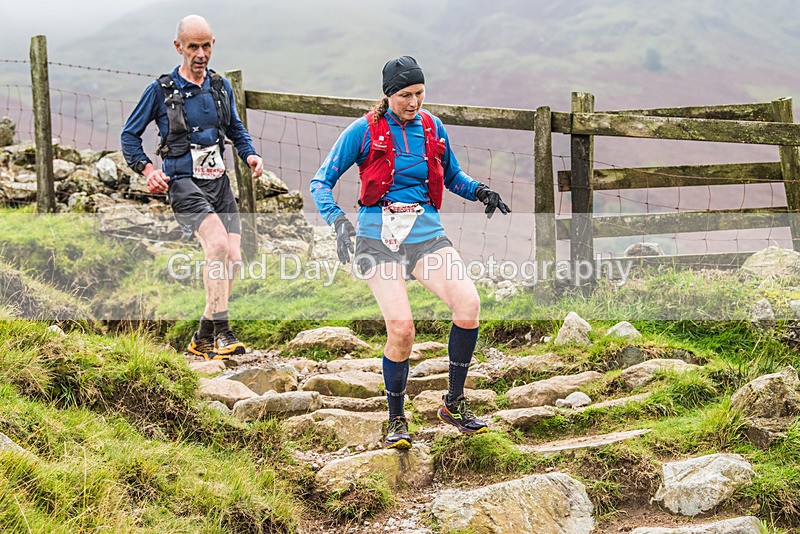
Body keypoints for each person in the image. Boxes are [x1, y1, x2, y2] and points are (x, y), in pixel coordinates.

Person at [310, 56, 510, 449]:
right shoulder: (364, 130)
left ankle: (454, 402)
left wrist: (480, 190)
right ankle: (396, 419)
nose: (414, 102)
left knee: (468, 305)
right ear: (388, 95)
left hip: (425, 235)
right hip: (376, 240)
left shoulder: (432, 127)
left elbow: (451, 175)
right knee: (402, 329)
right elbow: (321, 181)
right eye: (405, 95)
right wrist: (338, 220)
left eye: (419, 93)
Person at [121, 15, 263, 360]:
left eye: (206, 46)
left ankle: (203, 334)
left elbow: (235, 129)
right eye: (193, 47)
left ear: (213, 44)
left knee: (233, 258)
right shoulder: (161, 91)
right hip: (183, 182)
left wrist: (250, 155)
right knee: (215, 246)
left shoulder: (220, 86)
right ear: (179, 47)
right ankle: (224, 333)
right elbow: (129, 136)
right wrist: (148, 169)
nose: (200, 54)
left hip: (219, 182)